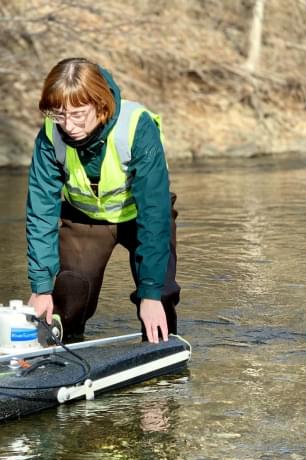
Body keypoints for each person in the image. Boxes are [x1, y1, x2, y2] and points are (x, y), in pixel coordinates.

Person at [26, 57, 180, 343]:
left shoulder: (137, 126)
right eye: (59, 115)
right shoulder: (50, 135)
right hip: (85, 221)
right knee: (66, 300)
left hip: (141, 217)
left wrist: (149, 293)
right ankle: (67, 347)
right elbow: (40, 213)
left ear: (100, 104)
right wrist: (41, 287)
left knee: (160, 298)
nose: (68, 126)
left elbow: (154, 212)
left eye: (78, 114)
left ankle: (161, 361)